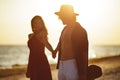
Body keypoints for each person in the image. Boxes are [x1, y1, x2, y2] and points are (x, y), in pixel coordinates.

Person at [53, 4, 89, 80]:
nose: (60, 18)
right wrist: (55, 51)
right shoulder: (64, 29)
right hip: (62, 65)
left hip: (72, 64)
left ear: (68, 15)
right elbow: (61, 42)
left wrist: (83, 73)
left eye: (62, 16)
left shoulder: (80, 30)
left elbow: (84, 52)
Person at [26, 15, 53, 80]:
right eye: (35, 23)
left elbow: (47, 45)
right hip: (33, 62)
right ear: (32, 24)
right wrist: (29, 67)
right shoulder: (30, 36)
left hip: (41, 62)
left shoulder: (42, 34)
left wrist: (53, 51)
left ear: (42, 24)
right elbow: (31, 53)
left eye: (39, 23)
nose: (37, 25)